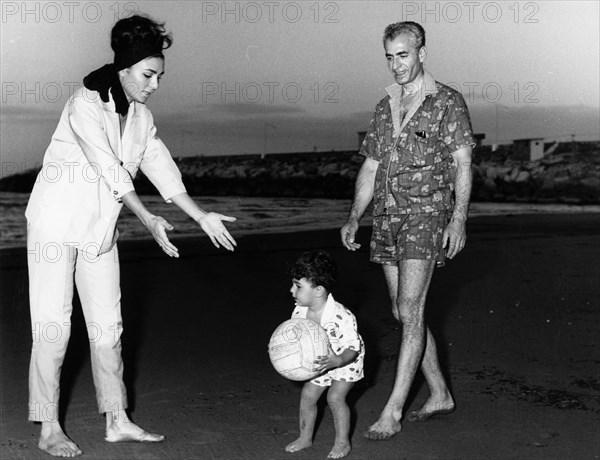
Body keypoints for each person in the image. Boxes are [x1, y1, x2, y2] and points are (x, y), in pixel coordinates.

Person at [25, 14, 237, 457]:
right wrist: (147, 218)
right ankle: (48, 427)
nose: (155, 84)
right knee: (53, 330)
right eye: (149, 75)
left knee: (108, 329)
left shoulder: (141, 117)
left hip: (100, 230)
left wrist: (199, 217)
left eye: (159, 76)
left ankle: (117, 419)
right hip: (56, 225)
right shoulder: (83, 103)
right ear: (124, 68)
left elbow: (162, 169)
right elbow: (110, 169)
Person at [340, 21, 474, 440]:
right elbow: (371, 166)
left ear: (421, 53)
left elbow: (463, 163)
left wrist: (458, 218)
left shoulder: (447, 101)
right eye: (389, 56)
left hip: (427, 214)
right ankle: (438, 393)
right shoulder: (385, 106)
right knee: (402, 311)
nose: (396, 64)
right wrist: (353, 215)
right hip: (387, 216)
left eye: (403, 54)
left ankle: (393, 410)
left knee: (411, 309)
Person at [285, 250, 365, 459]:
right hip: (320, 359)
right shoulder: (300, 310)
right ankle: (305, 437)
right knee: (308, 396)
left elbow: (353, 347)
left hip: (346, 360)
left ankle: (342, 442)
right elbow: (297, 335)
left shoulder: (341, 316)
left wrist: (337, 360)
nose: (291, 290)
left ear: (318, 290)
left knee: (335, 397)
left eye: (298, 285)